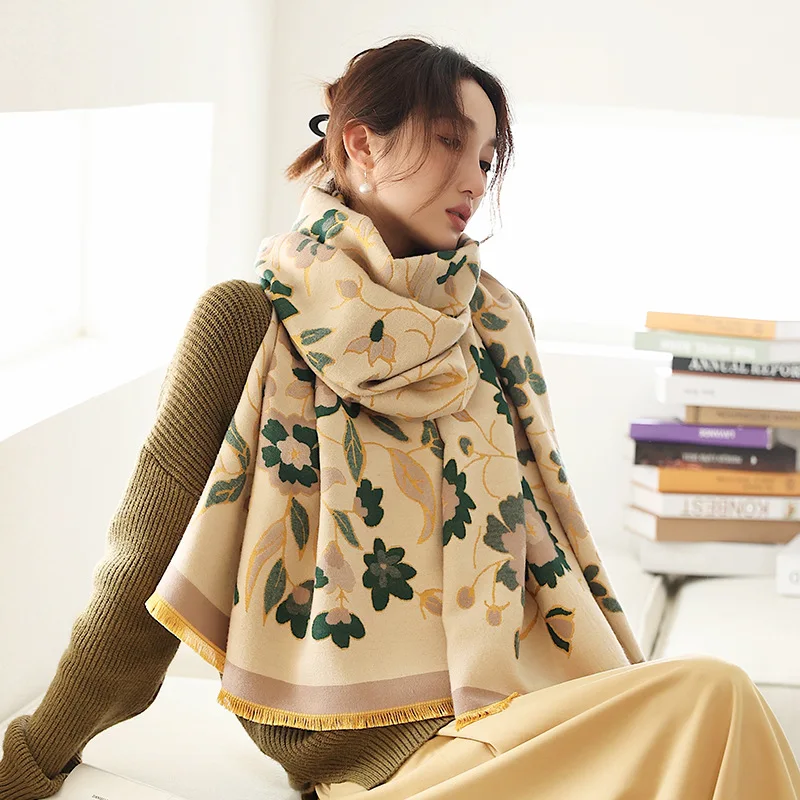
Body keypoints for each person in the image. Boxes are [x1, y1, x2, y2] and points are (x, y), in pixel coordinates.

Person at [1, 35, 798, 800]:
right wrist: (31, 757)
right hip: (391, 761)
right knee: (717, 699)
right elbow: (142, 565)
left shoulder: (494, 324)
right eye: (451, 141)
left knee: (714, 713)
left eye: (486, 158)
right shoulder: (247, 322)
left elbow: (553, 542)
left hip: (520, 711)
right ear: (362, 144)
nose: (475, 177)